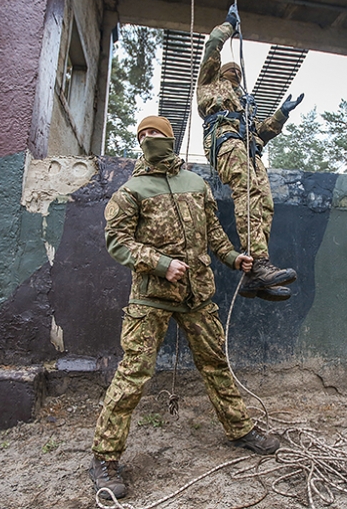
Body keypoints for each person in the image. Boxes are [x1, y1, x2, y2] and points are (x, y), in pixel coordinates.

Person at [89, 116, 280, 500]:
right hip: (150, 299)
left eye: (154, 133)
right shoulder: (131, 191)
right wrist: (161, 263)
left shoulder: (196, 184)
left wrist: (233, 258)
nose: (147, 138)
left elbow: (213, 233)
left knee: (216, 366)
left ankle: (241, 430)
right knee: (133, 374)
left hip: (197, 297)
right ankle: (104, 458)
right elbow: (117, 241)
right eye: (141, 134)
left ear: (170, 138)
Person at [197, 4, 304, 302]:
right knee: (246, 191)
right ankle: (257, 263)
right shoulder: (208, 84)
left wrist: (281, 114)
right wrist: (228, 26)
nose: (235, 73)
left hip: (248, 148)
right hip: (226, 141)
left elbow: (261, 134)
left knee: (264, 200)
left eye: (237, 73)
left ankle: (257, 274)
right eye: (231, 71)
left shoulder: (245, 103)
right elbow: (212, 46)